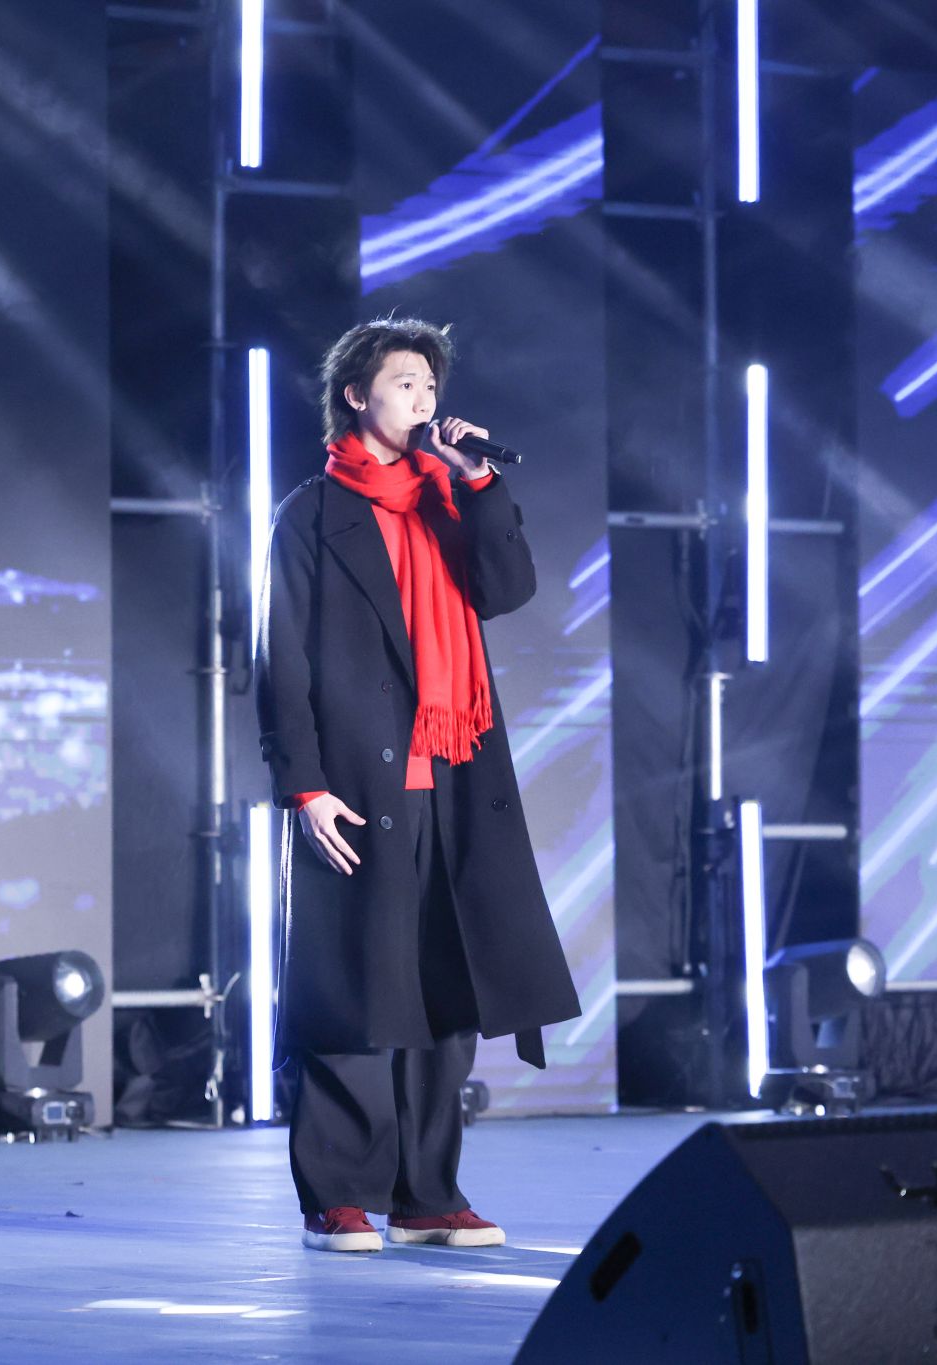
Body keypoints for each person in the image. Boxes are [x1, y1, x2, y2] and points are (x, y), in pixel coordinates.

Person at [254, 316, 580, 1254]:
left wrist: (478, 480)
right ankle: (337, 1195)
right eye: (406, 382)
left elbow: (508, 588)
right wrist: (305, 785)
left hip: (455, 773)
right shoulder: (312, 513)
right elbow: (281, 659)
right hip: (357, 780)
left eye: (432, 386)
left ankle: (427, 1193)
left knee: (446, 982)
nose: (425, 399)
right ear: (357, 394)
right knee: (353, 983)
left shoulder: (449, 498)